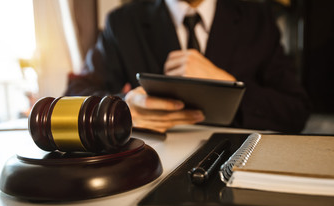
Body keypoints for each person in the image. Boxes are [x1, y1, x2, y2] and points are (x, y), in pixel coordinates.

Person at [65, 0, 310, 133]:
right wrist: (122, 107)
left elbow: (296, 112)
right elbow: (73, 98)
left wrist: (228, 86)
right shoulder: (122, 23)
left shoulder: (259, 19)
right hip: (150, 169)